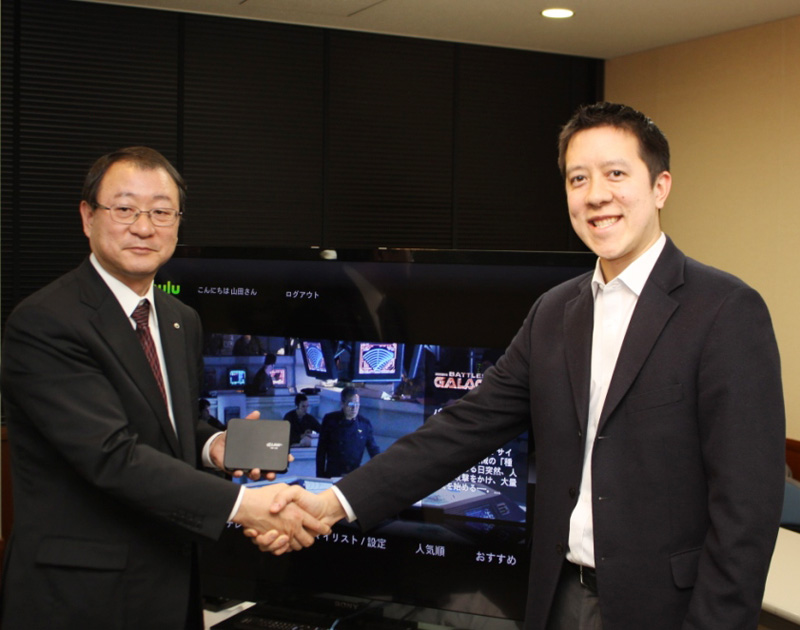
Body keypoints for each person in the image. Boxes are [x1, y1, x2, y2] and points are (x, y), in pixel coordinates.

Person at [261, 103, 786, 630]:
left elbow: (747, 511)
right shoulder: (554, 312)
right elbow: (462, 428)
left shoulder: (725, 311)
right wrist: (335, 503)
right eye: (578, 178)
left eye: (615, 174)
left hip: (665, 610)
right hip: (556, 598)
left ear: (660, 187)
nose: (596, 195)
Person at [0, 146, 328, 630]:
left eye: (160, 212)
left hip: (171, 579)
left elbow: (168, 424)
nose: (143, 227)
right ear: (87, 217)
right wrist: (245, 506)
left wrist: (214, 446)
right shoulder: (45, 321)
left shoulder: (179, 319)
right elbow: (111, 455)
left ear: (177, 223)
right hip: (80, 597)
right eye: (125, 209)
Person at [316, 386, 381, 478]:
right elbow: (321, 452)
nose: (354, 408)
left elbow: (373, 450)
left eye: (357, 404)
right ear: (342, 404)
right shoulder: (330, 421)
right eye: (351, 404)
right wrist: (320, 478)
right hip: (332, 475)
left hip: (354, 476)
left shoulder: (364, 424)